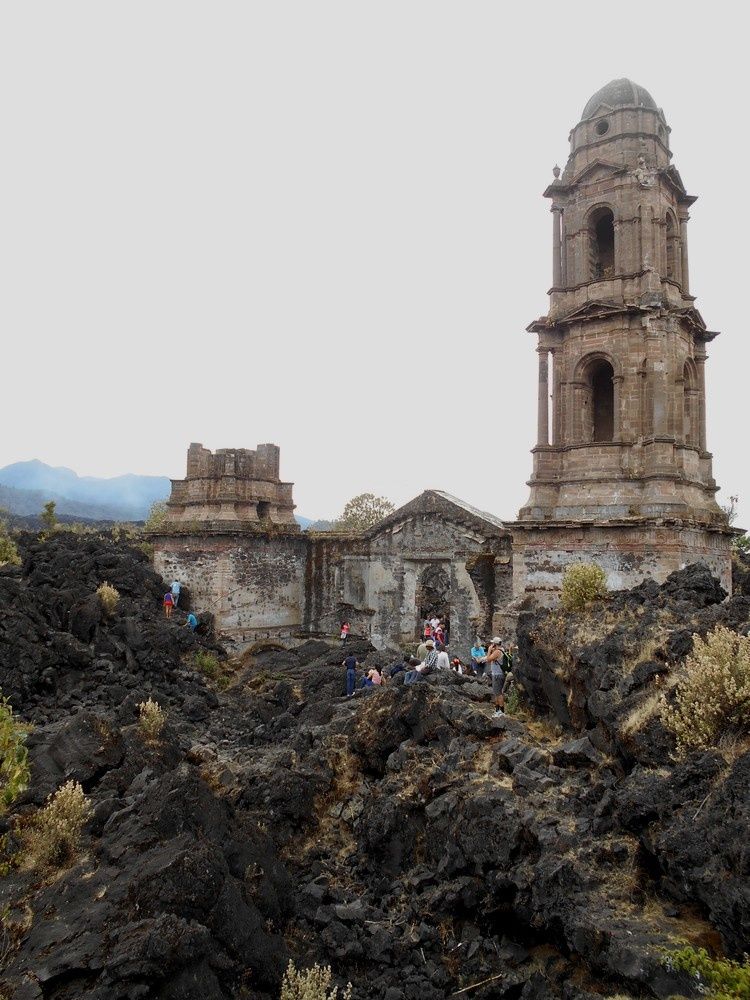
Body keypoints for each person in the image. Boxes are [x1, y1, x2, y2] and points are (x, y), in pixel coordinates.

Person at [485, 637, 507, 716]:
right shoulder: (502, 649)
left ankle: (501, 712)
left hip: (497, 675)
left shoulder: (497, 652)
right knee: (496, 693)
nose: (491, 644)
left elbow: (488, 659)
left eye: (492, 643)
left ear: (495, 644)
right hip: (499, 674)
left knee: (498, 694)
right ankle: (497, 710)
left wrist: (489, 650)